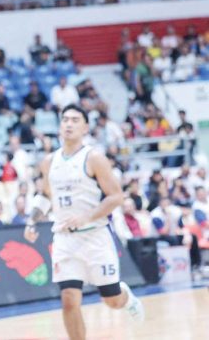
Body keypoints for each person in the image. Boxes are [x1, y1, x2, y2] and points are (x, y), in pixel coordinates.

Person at [24, 104, 144, 340]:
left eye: (75, 120)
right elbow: (46, 195)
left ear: (85, 127)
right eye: (65, 119)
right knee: (69, 299)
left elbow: (116, 196)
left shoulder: (94, 158)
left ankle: (126, 297)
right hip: (65, 239)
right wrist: (32, 221)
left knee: (111, 300)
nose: (68, 124)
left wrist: (87, 216)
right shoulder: (49, 161)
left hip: (95, 236)